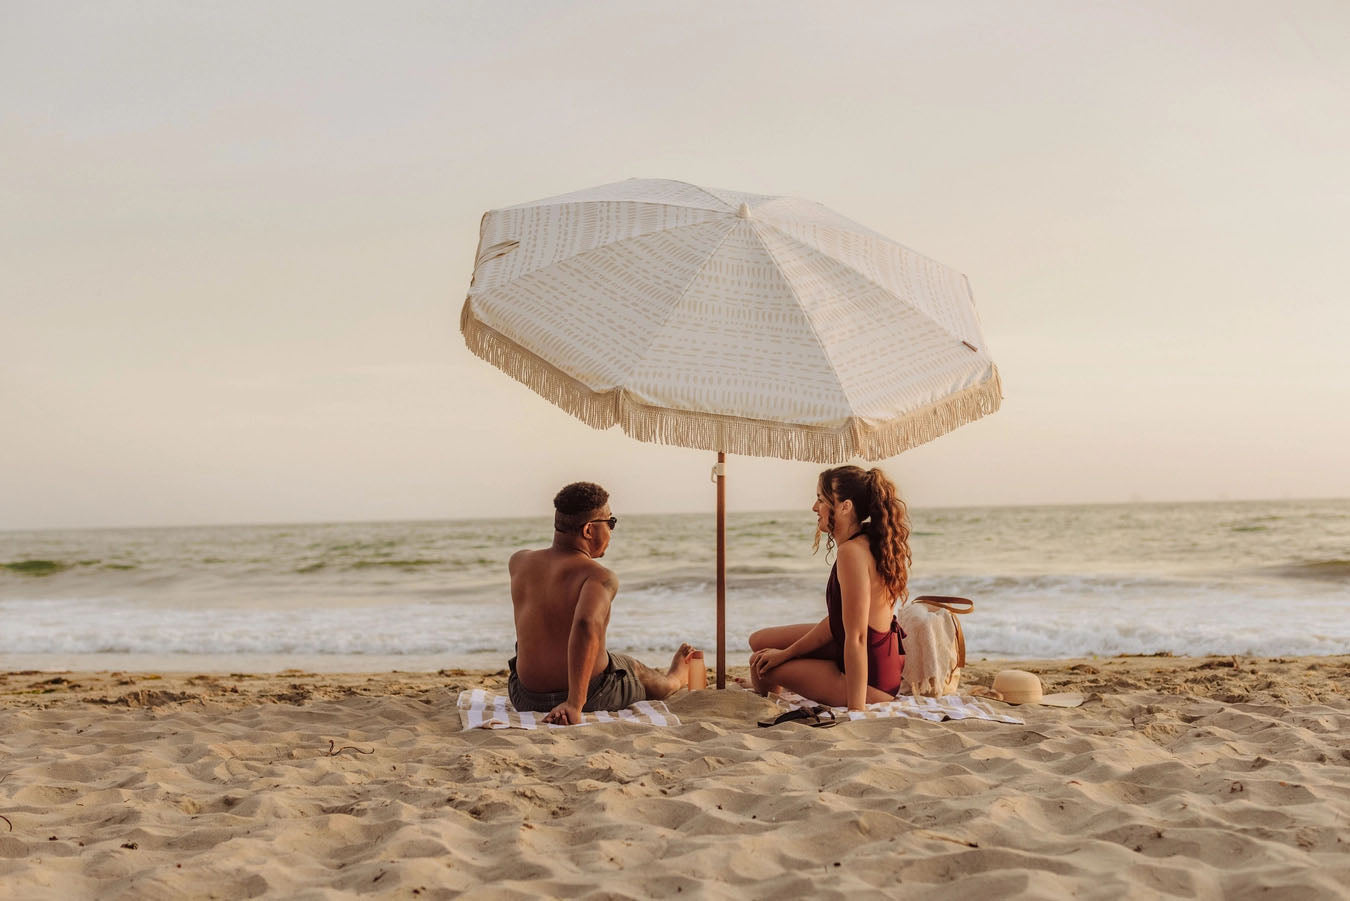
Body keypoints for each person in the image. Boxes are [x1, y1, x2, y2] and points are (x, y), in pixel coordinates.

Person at [507, 481, 698, 725]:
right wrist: (574, 704)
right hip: (591, 696)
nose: (611, 529)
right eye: (611, 522)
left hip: (524, 696)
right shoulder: (599, 576)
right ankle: (674, 680)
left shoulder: (519, 562)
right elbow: (586, 625)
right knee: (630, 666)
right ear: (588, 530)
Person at [747, 466, 912, 711]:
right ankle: (793, 676)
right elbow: (843, 620)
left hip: (872, 680)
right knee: (759, 641)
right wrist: (787, 653)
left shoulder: (852, 553)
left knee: (759, 664)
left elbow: (857, 637)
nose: (815, 507)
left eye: (821, 500)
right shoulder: (867, 540)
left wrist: (856, 711)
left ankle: (772, 693)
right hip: (864, 651)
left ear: (845, 506)